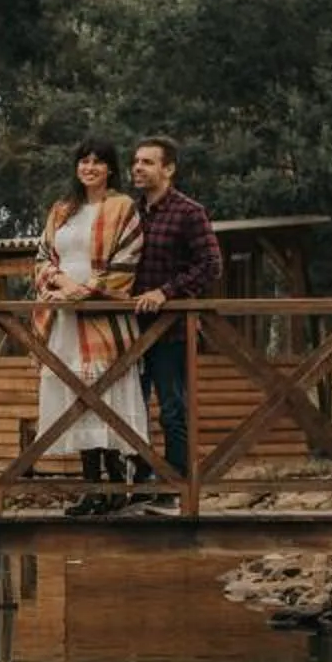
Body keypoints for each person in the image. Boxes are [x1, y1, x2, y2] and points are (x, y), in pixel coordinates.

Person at [34, 139, 150, 514]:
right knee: (75, 395)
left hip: (104, 318)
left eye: (98, 162)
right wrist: (61, 284)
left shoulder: (123, 207)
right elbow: (43, 256)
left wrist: (83, 291)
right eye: (83, 161)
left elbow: (127, 260)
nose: (89, 167)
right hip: (65, 320)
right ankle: (91, 488)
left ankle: (115, 487)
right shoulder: (62, 210)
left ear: (110, 169)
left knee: (105, 393)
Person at [127, 136, 222, 503]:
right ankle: (140, 483)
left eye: (147, 162)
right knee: (130, 408)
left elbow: (210, 265)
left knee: (172, 409)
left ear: (168, 169)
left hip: (172, 330)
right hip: (130, 329)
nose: (138, 167)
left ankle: (175, 488)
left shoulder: (189, 212)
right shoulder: (129, 213)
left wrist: (165, 293)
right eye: (136, 161)